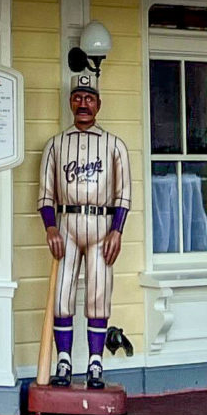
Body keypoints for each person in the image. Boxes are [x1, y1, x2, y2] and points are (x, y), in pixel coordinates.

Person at [39, 75, 131, 388]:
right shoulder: (56, 143)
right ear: (70, 102)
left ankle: (95, 363)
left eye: (89, 98)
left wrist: (117, 230)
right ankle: (64, 361)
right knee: (62, 293)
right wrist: (50, 226)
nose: (83, 104)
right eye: (77, 97)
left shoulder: (114, 144)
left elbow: (124, 194)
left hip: (102, 224)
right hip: (67, 222)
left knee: (98, 294)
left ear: (98, 104)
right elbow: (45, 194)